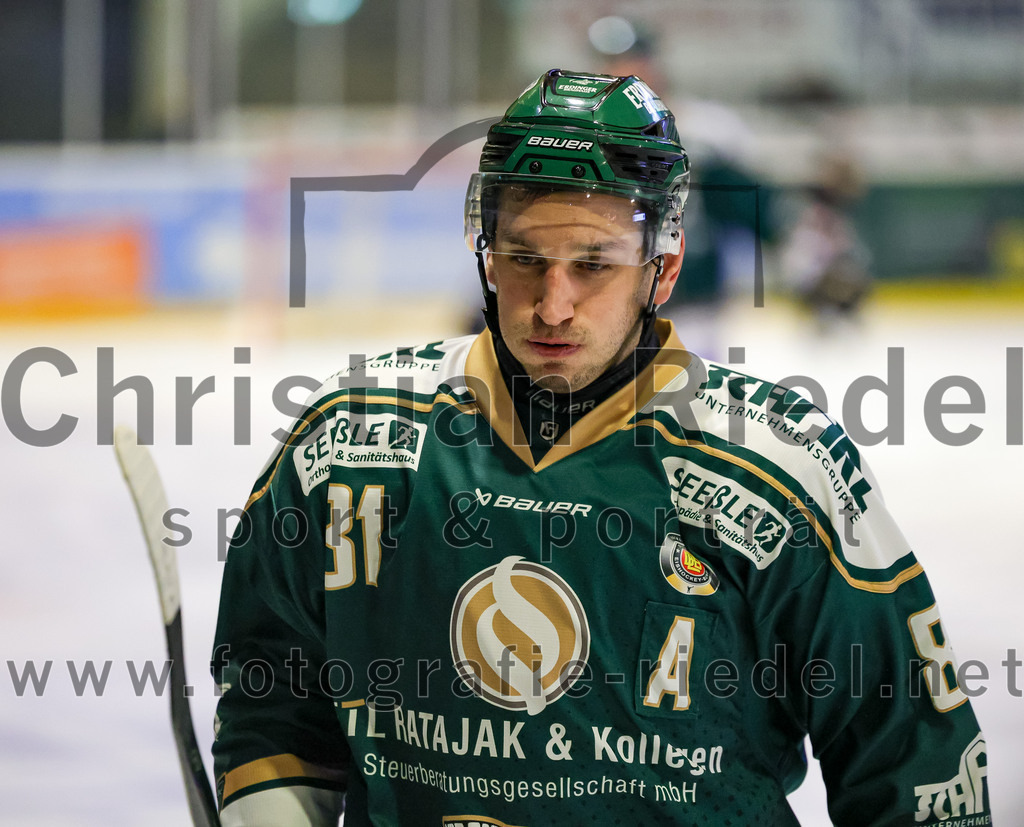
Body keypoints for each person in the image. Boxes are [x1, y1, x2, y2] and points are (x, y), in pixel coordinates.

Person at [211, 69, 990, 825]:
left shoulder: (775, 467)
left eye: (594, 267)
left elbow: (910, 764)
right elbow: (275, 701)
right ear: (485, 253)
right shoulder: (351, 440)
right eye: (525, 260)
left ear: (665, 268)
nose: (553, 305)